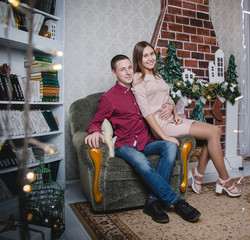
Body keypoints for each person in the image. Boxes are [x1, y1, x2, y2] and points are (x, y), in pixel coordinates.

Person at [84, 54, 201, 224]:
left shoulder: (141, 89)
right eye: (122, 69)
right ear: (114, 73)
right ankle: (176, 202)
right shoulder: (109, 98)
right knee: (141, 161)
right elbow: (95, 122)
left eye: (130, 67)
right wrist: (94, 131)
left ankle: (152, 201)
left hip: (146, 142)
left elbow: (164, 99)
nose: (128, 72)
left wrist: (170, 106)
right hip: (125, 145)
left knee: (170, 146)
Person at [131, 41, 241, 197]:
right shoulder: (138, 79)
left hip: (171, 119)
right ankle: (225, 179)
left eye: (152, 54)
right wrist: (164, 136)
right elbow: (146, 113)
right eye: (145, 55)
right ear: (139, 59)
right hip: (161, 125)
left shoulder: (157, 75)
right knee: (212, 133)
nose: (150, 58)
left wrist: (174, 112)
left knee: (215, 131)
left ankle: (198, 173)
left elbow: (168, 98)